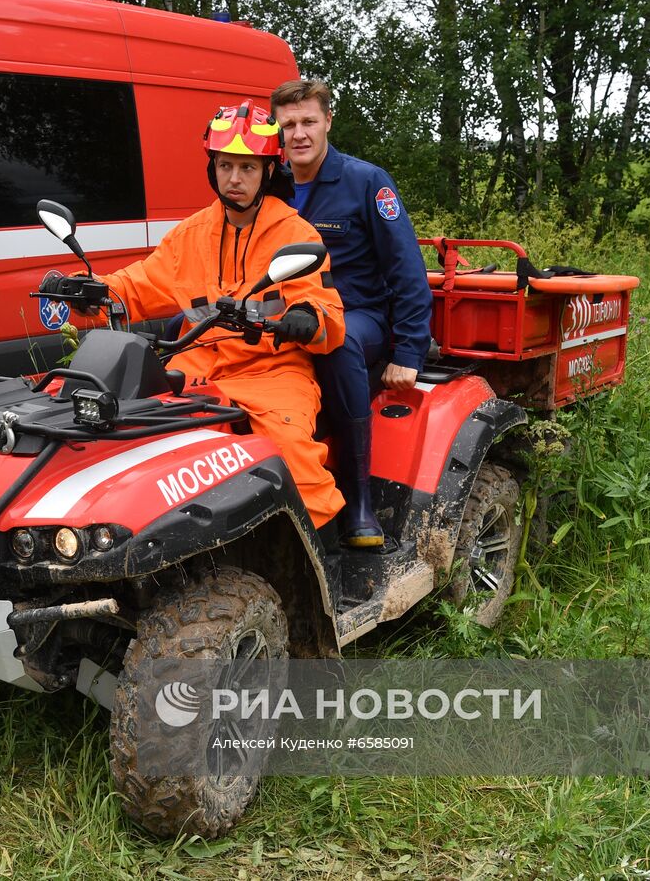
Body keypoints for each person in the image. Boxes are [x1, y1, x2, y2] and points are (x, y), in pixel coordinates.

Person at [41, 101, 347, 530]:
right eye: (225, 166)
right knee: (137, 438)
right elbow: (135, 286)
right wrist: (85, 289)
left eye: (247, 168)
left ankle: (321, 555)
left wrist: (307, 318)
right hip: (196, 366)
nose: (234, 179)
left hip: (273, 374)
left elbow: (327, 312)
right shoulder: (190, 234)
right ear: (212, 169)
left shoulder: (296, 234)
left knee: (290, 447)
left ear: (268, 172)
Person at [270, 79, 433, 548]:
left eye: (308, 122)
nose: (298, 133)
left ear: (327, 122)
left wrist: (409, 353)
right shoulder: (270, 184)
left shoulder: (366, 181)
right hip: (288, 316)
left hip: (360, 317)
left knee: (336, 342)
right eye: (288, 125)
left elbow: (406, 270)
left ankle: (358, 499)